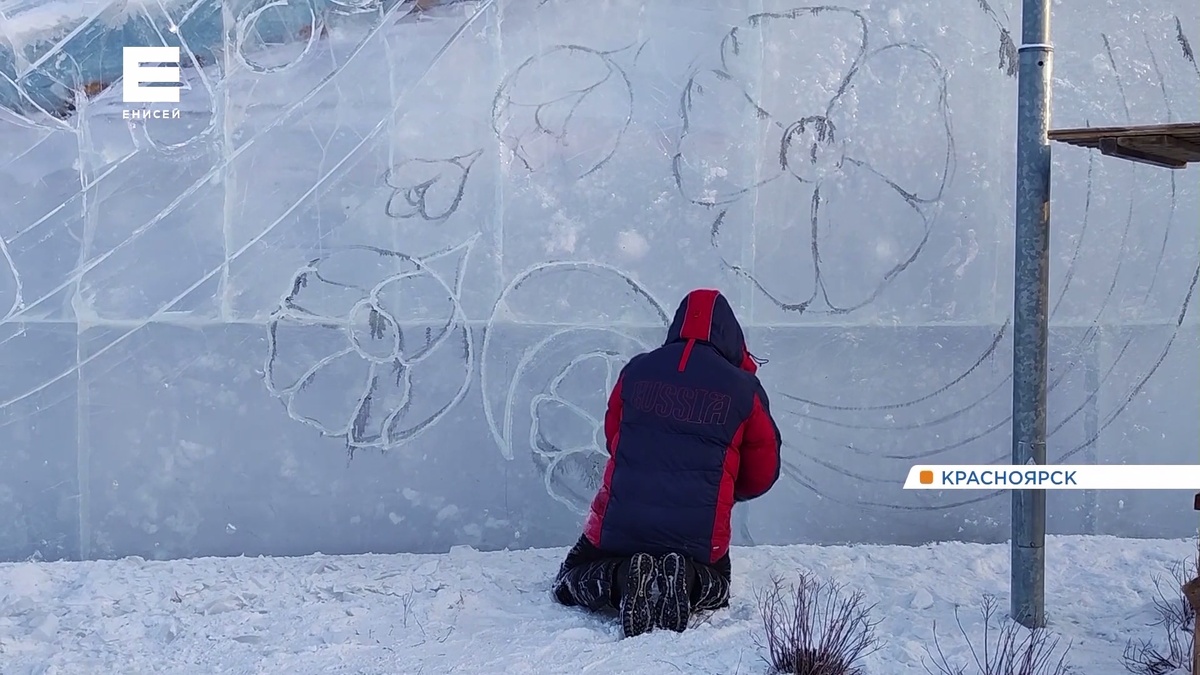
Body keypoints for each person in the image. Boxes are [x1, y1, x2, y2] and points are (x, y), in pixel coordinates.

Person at [551, 288, 782, 638]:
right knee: (718, 584)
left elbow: (615, 438)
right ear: (731, 336)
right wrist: (723, 489)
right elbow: (762, 472)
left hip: (620, 524)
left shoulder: (637, 371)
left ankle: (622, 577)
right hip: (699, 534)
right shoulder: (743, 389)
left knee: (570, 577)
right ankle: (688, 578)